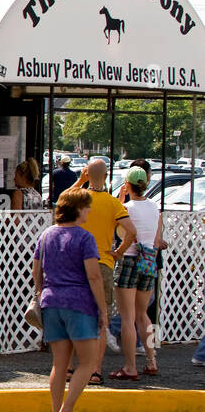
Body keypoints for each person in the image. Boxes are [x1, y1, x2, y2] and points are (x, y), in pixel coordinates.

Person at [33, 187, 107, 412]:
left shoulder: (46, 235)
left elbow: (37, 271)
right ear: (77, 209)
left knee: (59, 364)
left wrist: (43, 290)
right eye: (87, 207)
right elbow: (94, 277)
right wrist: (103, 310)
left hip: (51, 301)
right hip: (79, 303)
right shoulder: (85, 238)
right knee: (88, 362)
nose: (89, 211)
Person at [74, 158, 134, 384]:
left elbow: (61, 201)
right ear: (107, 176)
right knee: (100, 318)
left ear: (87, 173)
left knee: (74, 316)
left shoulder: (77, 199)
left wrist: (80, 181)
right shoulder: (112, 203)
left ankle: (72, 368)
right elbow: (131, 231)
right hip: (103, 264)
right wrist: (117, 252)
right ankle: (95, 370)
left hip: (76, 263)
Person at [109, 167, 165, 381]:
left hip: (130, 260)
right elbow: (157, 238)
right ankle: (151, 360)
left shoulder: (126, 207)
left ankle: (130, 366)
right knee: (144, 315)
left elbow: (120, 230)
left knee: (128, 317)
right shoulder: (154, 207)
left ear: (128, 184)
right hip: (148, 260)